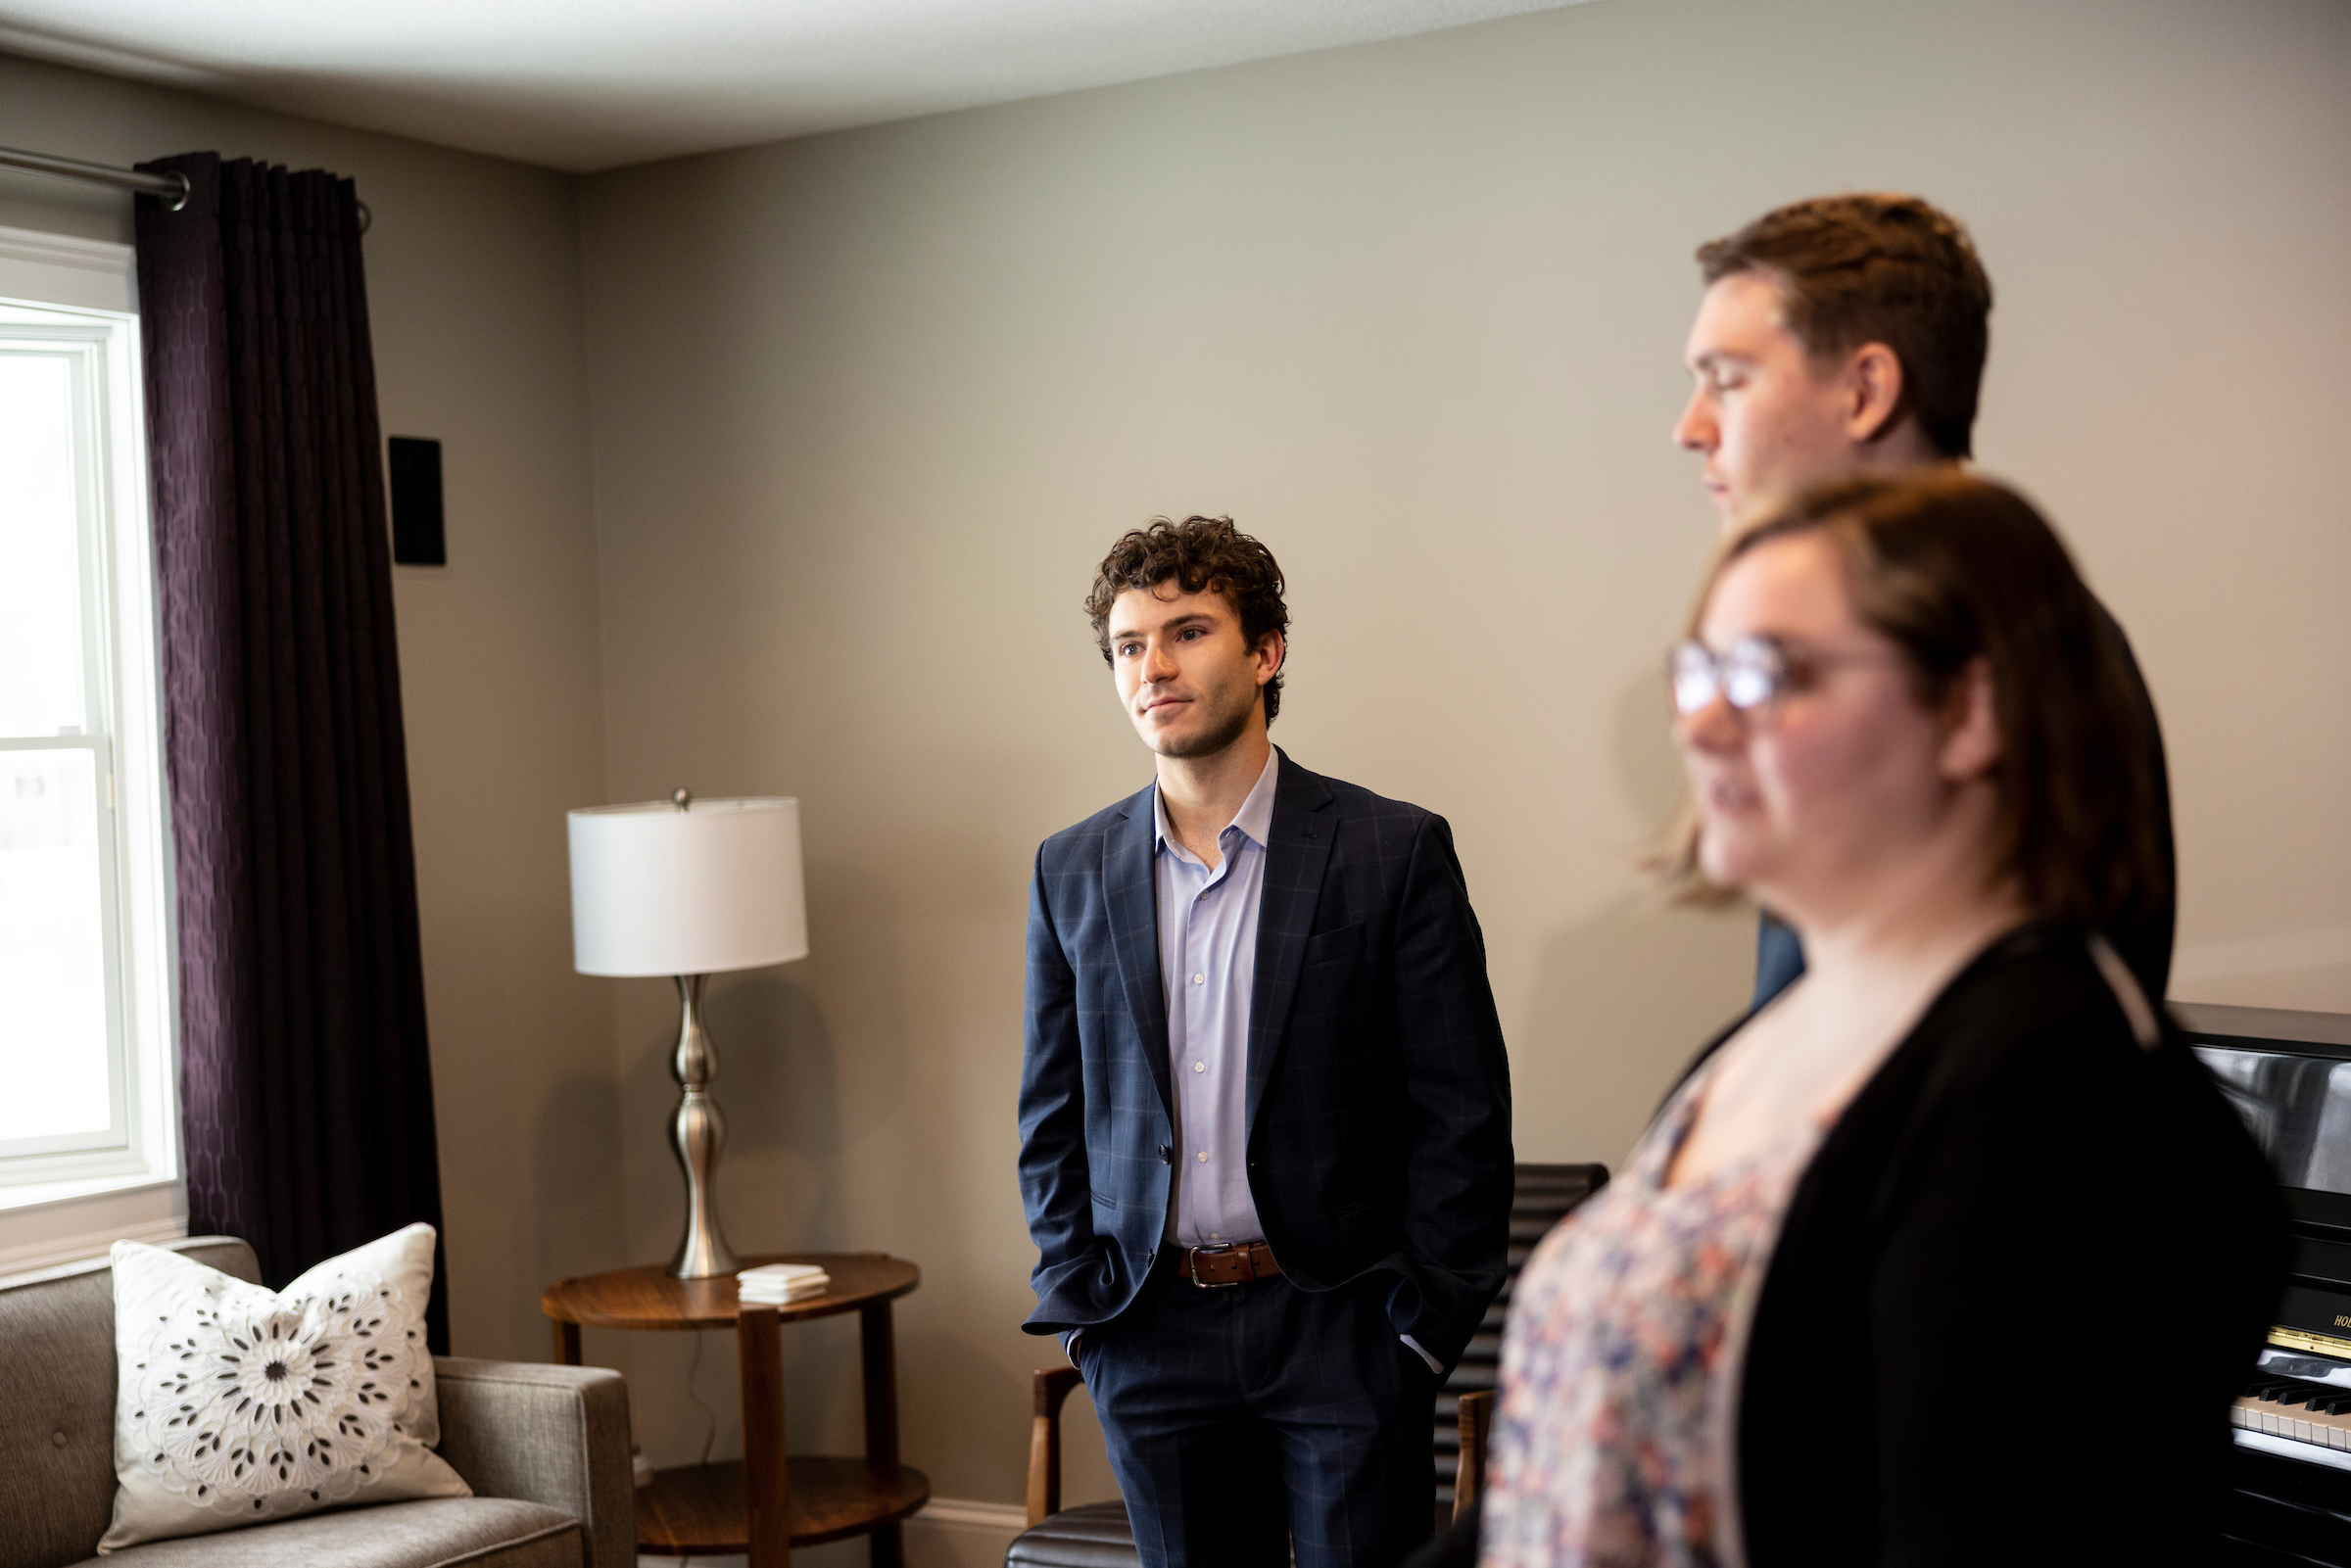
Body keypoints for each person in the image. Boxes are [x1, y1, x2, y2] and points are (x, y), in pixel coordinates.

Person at [1462, 472, 2284, 1566]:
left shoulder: (2059, 1088)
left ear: (1969, 710)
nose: (1700, 723)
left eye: (1766, 671)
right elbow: (1562, 1473)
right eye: (1699, 670)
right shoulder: (1755, 1042)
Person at [1017, 514, 1514, 1568]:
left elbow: (1463, 1117)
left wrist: (1414, 1333)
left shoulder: (1392, 850)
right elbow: (1051, 1113)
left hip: (1340, 1324)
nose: (1154, 664)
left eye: (1188, 631)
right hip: (1148, 1330)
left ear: (1265, 651)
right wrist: (1085, 1319)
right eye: (1128, 645)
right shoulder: (1070, 869)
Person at [1670, 194, 2176, 1010]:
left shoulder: (2017, 636)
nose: (1690, 428)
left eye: (1727, 381)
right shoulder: (1903, 625)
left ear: (1866, 390)